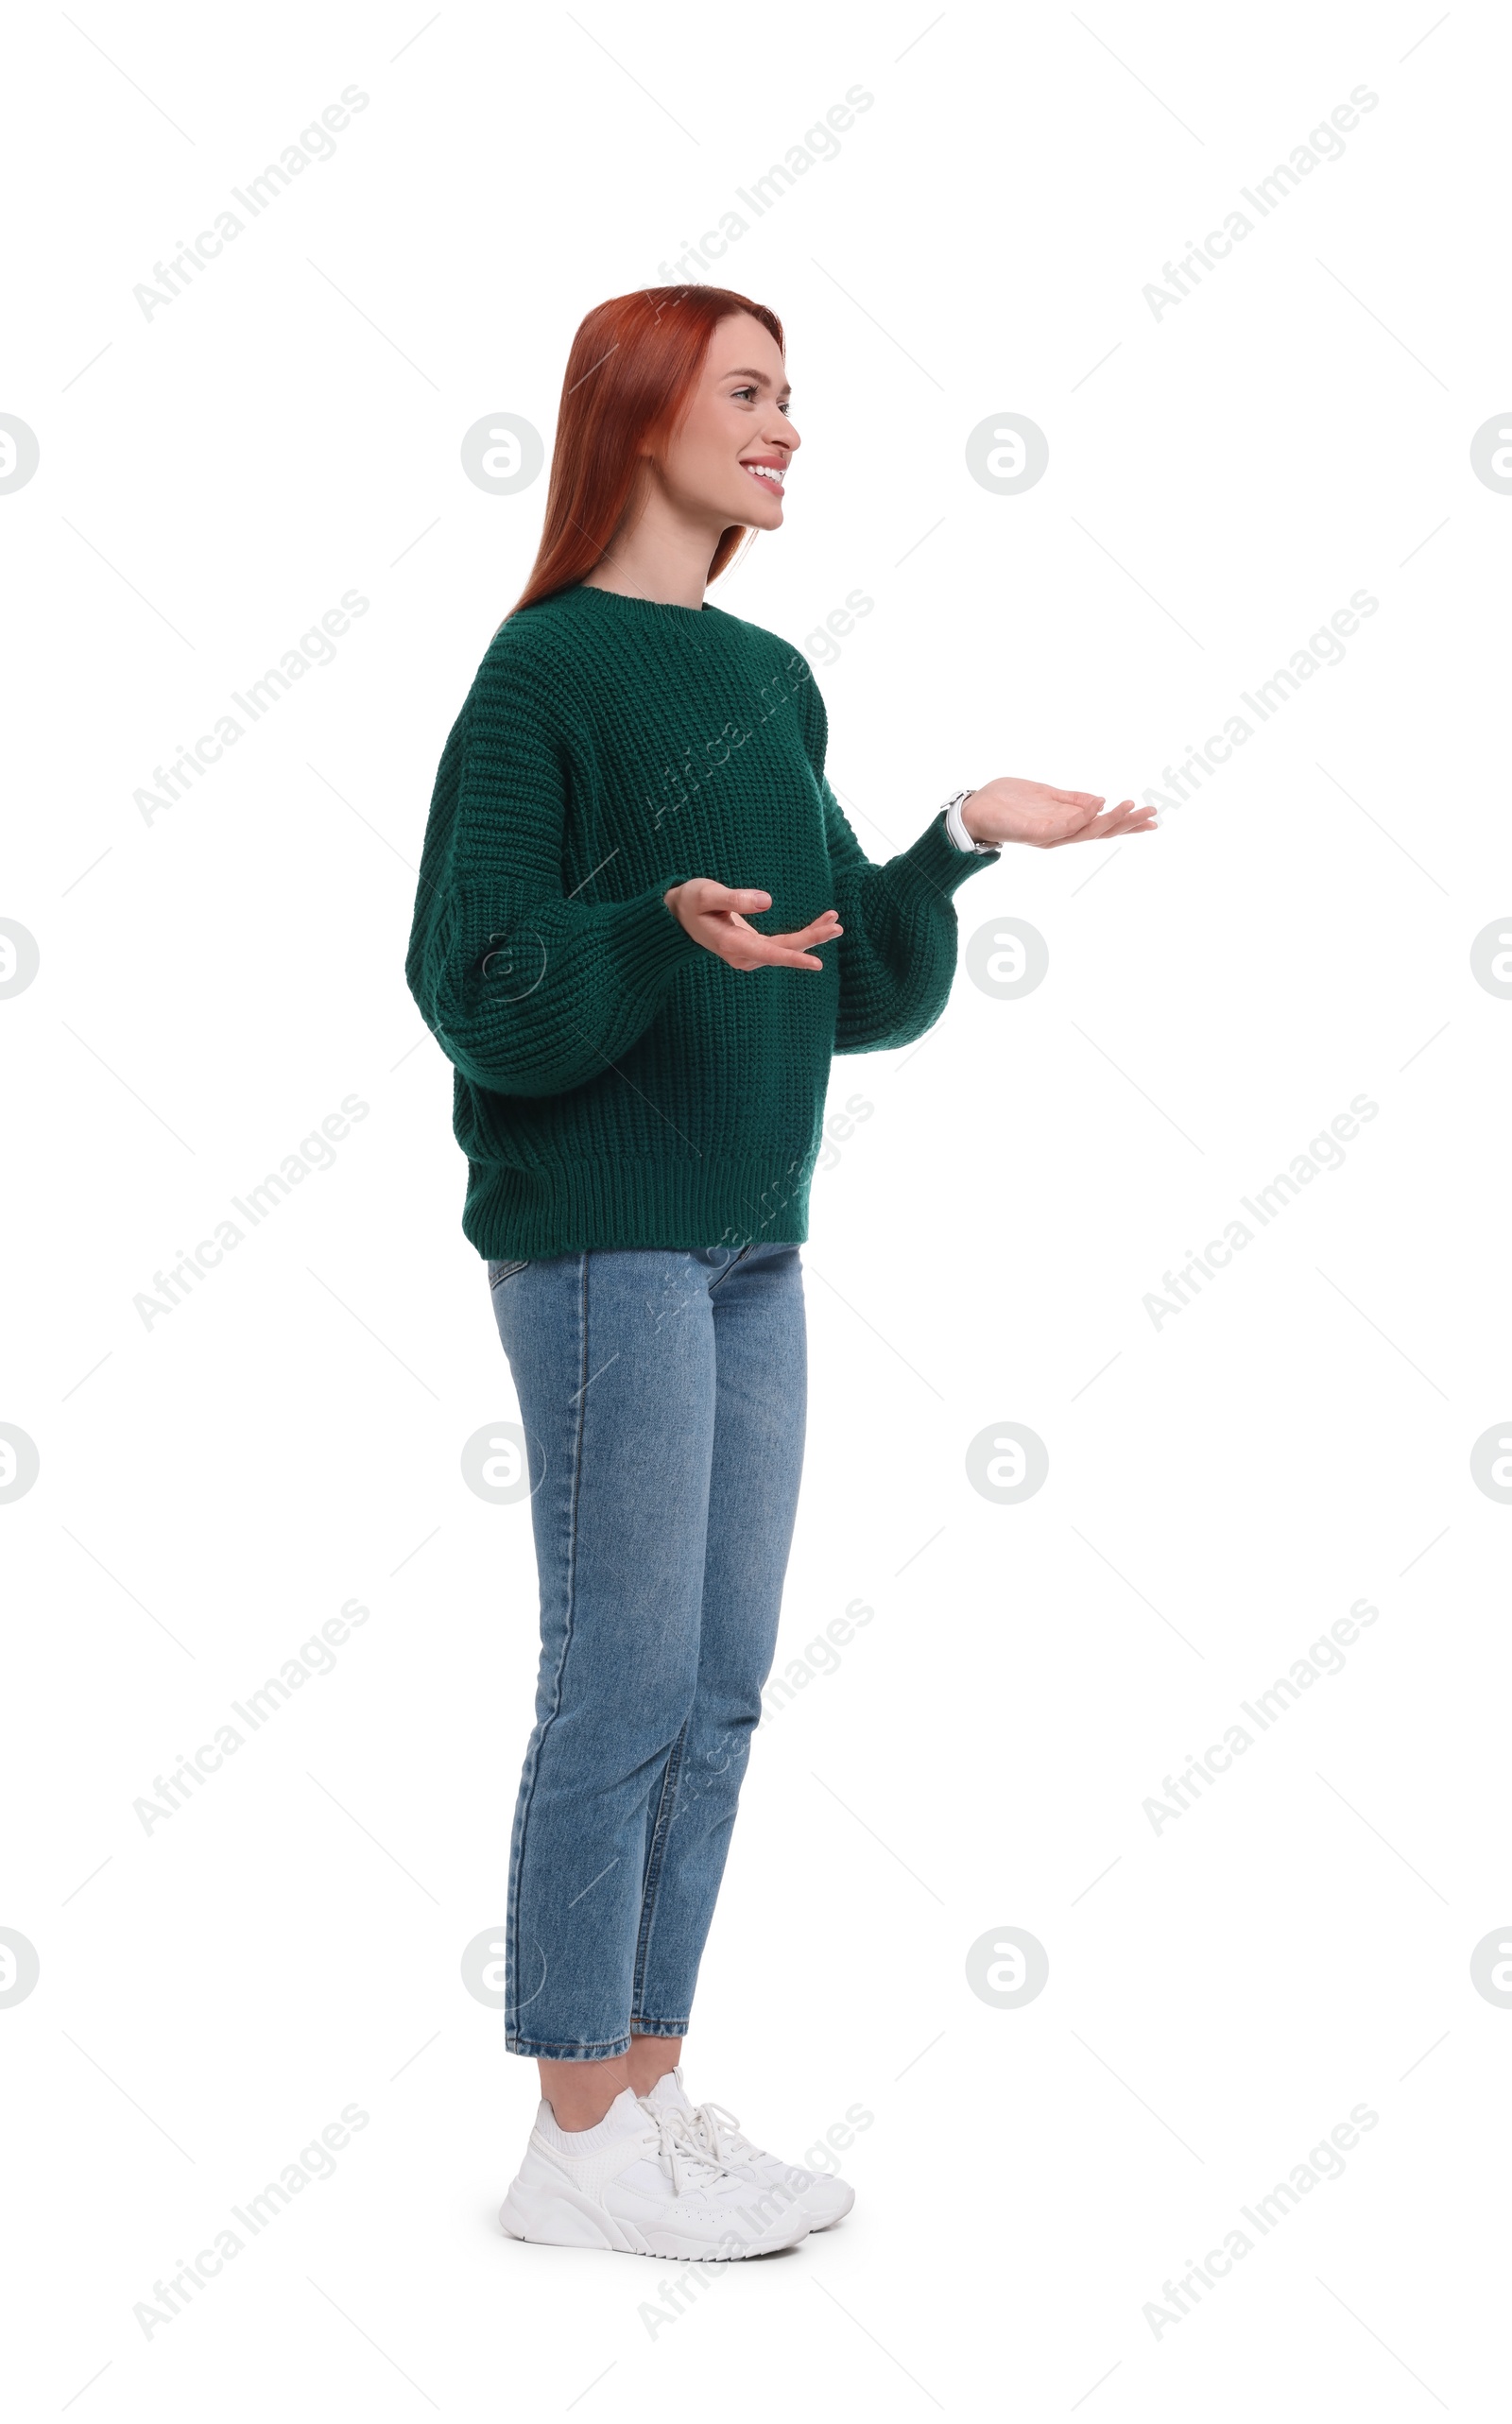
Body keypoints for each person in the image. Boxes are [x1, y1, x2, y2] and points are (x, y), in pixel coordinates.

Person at [404, 284, 1156, 2261]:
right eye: (748, 392)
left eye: (789, 396)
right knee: (619, 1680)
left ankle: (646, 2090)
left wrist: (955, 843)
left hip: (754, 1243)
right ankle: (569, 2129)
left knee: (720, 1688)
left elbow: (850, 976)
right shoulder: (541, 677)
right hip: (599, 1243)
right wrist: (655, 927)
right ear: (638, 415)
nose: (786, 427)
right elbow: (474, 990)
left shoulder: (765, 683)